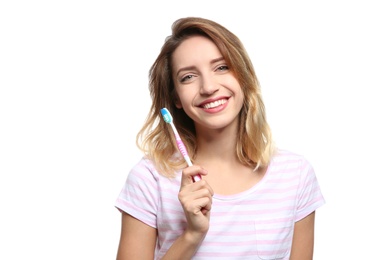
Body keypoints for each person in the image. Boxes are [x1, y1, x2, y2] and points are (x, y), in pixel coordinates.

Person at [115, 17, 325, 260]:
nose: (208, 87)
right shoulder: (149, 179)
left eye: (222, 67)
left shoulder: (295, 174)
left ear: (243, 78)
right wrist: (192, 235)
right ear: (176, 99)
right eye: (188, 77)